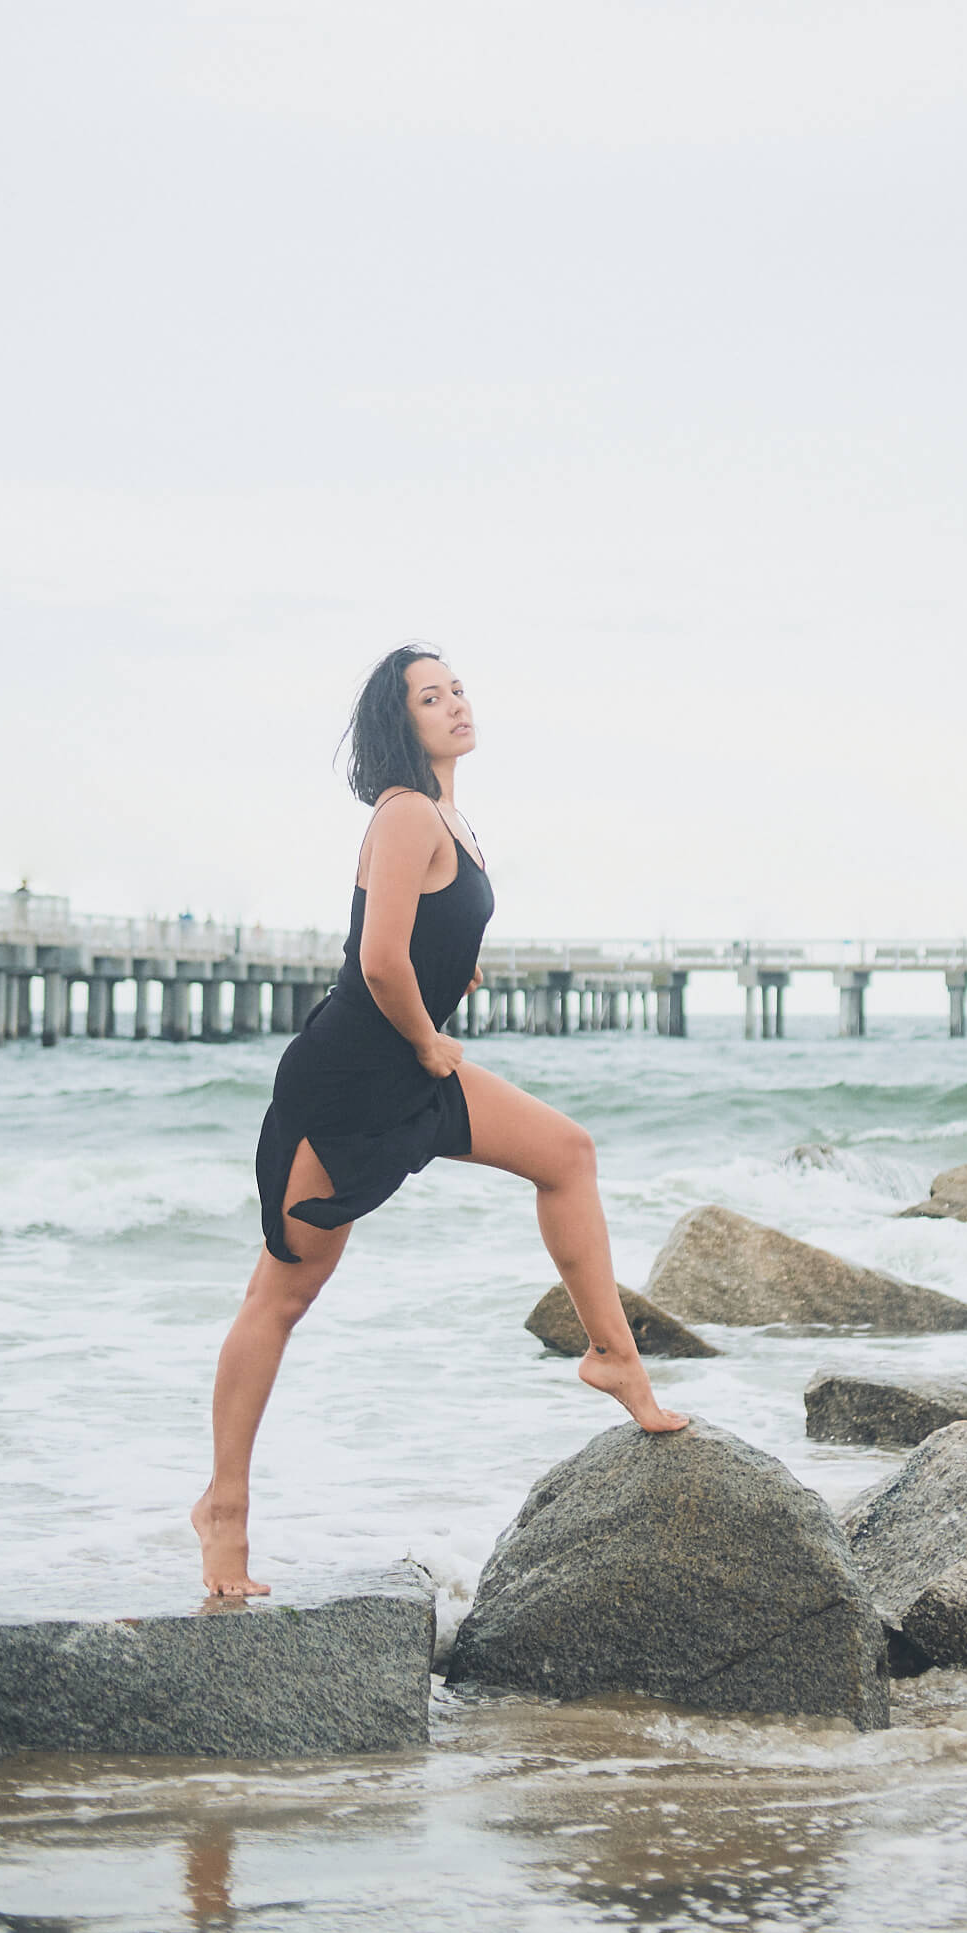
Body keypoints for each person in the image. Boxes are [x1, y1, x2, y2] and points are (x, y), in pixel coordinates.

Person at [192, 642, 687, 1598]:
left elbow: (421, 937)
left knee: (565, 1154)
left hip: (410, 1071)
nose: (455, 703)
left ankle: (612, 1357)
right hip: (346, 1083)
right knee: (283, 1295)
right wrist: (428, 1040)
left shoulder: (451, 820)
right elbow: (379, 963)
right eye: (431, 696)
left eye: (457, 687)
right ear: (400, 722)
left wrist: (454, 976)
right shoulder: (406, 813)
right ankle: (223, 1512)